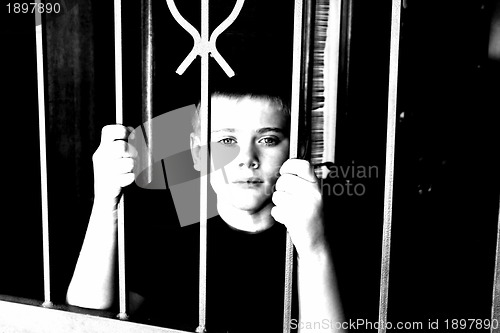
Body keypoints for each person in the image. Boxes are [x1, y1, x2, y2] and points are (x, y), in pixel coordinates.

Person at [66, 89, 345, 332]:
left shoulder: (333, 238)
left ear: (300, 147)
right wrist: (105, 202)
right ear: (198, 153)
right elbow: (87, 318)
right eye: (226, 141)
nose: (247, 160)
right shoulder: (170, 238)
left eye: (268, 139)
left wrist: (314, 249)